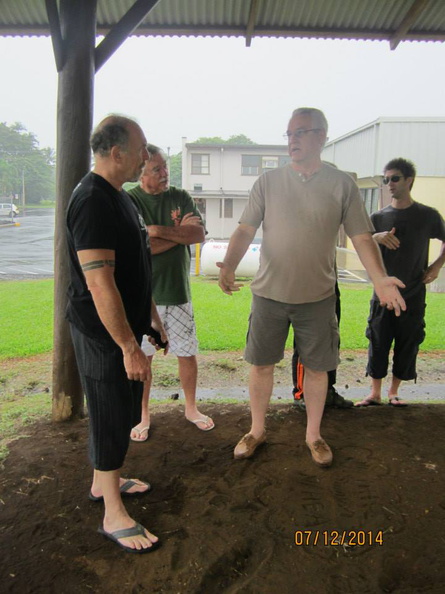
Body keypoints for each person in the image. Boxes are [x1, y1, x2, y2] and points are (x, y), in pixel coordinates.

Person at [218, 107, 406, 467]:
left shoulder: (341, 184)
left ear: (321, 136)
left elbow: (362, 236)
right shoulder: (268, 182)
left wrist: (379, 278)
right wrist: (228, 263)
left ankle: (314, 435)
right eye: (289, 134)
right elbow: (245, 228)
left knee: (318, 369)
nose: (292, 140)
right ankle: (256, 430)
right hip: (268, 295)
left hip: (317, 298)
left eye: (301, 133)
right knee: (260, 365)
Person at [66, 115, 166, 554]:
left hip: (126, 325)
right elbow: (100, 282)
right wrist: (127, 345)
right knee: (110, 416)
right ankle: (112, 513)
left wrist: (152, 318)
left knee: (122, 413)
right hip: (102, 332)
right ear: (117, 152)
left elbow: (134, 267)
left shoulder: (121, 198)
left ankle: (102, 482)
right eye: (141, 149)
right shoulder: (91, 200)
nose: (147, 157)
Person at [127, 145, 214, 440]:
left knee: (187, 352)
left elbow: (198, 234)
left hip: (177, 292)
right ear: (141, 172)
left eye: (165, 168)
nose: (164, 174)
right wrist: (176, 236)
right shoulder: (129, 200)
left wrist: (154, 229)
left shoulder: (180, 196)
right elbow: (136, 250)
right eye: (157, 169)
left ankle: (191, 408)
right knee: (144, 357)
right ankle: (143, 415)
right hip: (143, 296)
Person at [356, 158, 445, 408]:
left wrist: (436, 266)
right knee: (378, 340)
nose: (389, 184)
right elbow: (362, 244)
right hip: (382, 295)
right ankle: (374, 393)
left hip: (413, 293)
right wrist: (376, 237)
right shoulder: (377, 217)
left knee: (408, 342)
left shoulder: (427, 216)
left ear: (409, 180)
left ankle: (394, 392)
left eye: (394, 178)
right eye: (386, 180)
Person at [292, 281, 353, 409]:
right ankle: (301, 393)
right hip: (306, 288)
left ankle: (328, 391)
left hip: (329, 287)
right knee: (306, 344)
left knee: (331, 339)